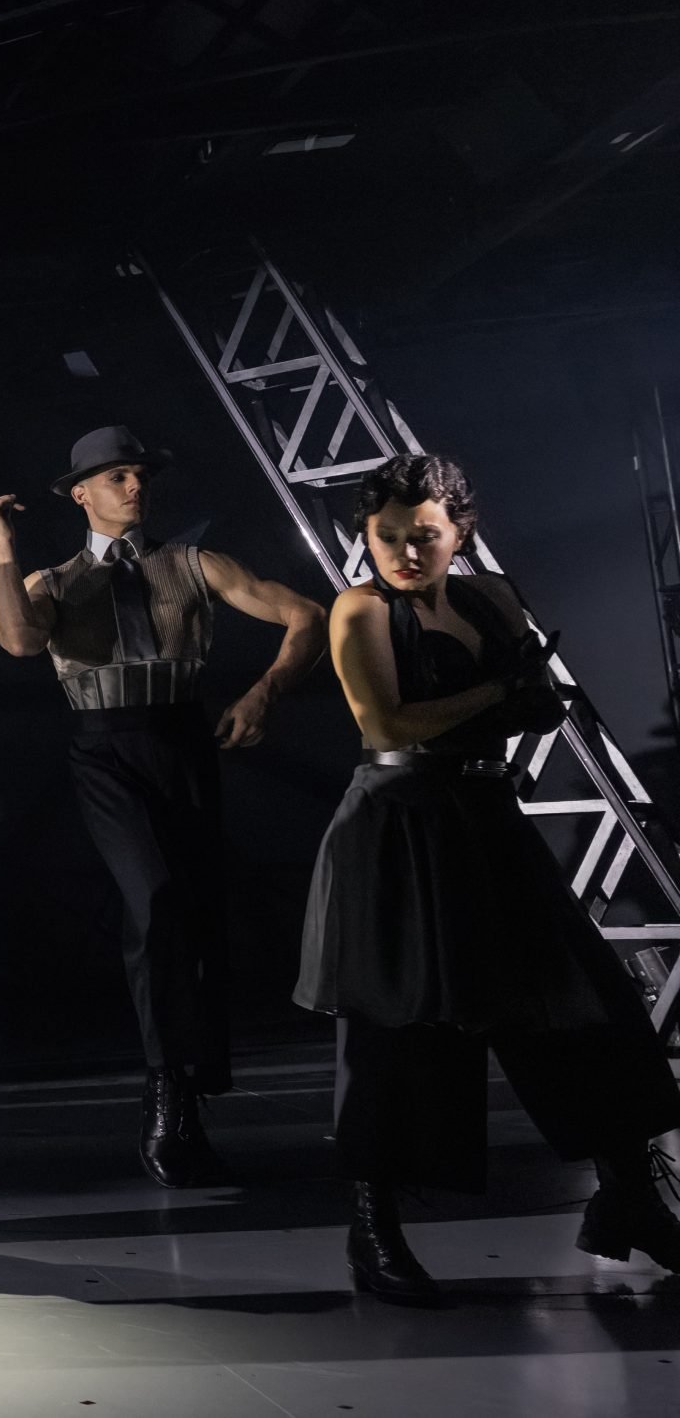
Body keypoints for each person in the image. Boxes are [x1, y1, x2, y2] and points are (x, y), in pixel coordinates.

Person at [296, 453, 680, 1301]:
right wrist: (502, 689)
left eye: (423, 536)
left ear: (459, 534)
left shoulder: (490, 598)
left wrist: (521, 691)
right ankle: (374, 1234)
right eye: (387, 536)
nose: (403, 552)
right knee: (399, 1035)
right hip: (397, 829)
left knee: (580, 1007)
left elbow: (534, 697)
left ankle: (630, 1201)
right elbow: (387, 720)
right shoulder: (358, 610)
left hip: (483, 819)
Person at [0, 424, 325, 1186]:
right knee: (159, 900)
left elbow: (308, 615)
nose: (135, 488)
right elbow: (16, 642)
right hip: (104, 749)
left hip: (182, 738)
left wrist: (267, 689)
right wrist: (4, 548)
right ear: (81, 495)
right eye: (116, 478)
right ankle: (166, 1092)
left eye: (139, 476)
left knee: (198, 915)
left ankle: (190, 1096)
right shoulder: (53, 580)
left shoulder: (193, 564)